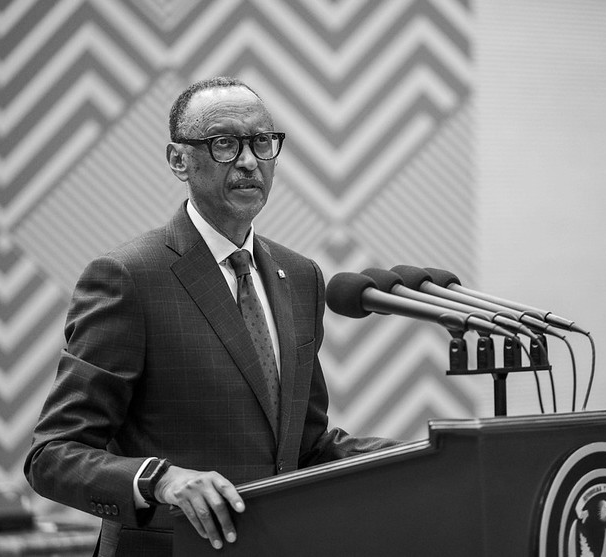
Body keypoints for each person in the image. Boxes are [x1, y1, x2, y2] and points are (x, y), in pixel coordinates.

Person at [24, 76, 397, 556]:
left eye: (261, 142)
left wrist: (412, 457)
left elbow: (305, 446)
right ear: (178, 160)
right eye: (224, 143)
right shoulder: (128, 277)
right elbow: (52, 454)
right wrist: (160, 480)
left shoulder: (301, 276)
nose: (249, 161)